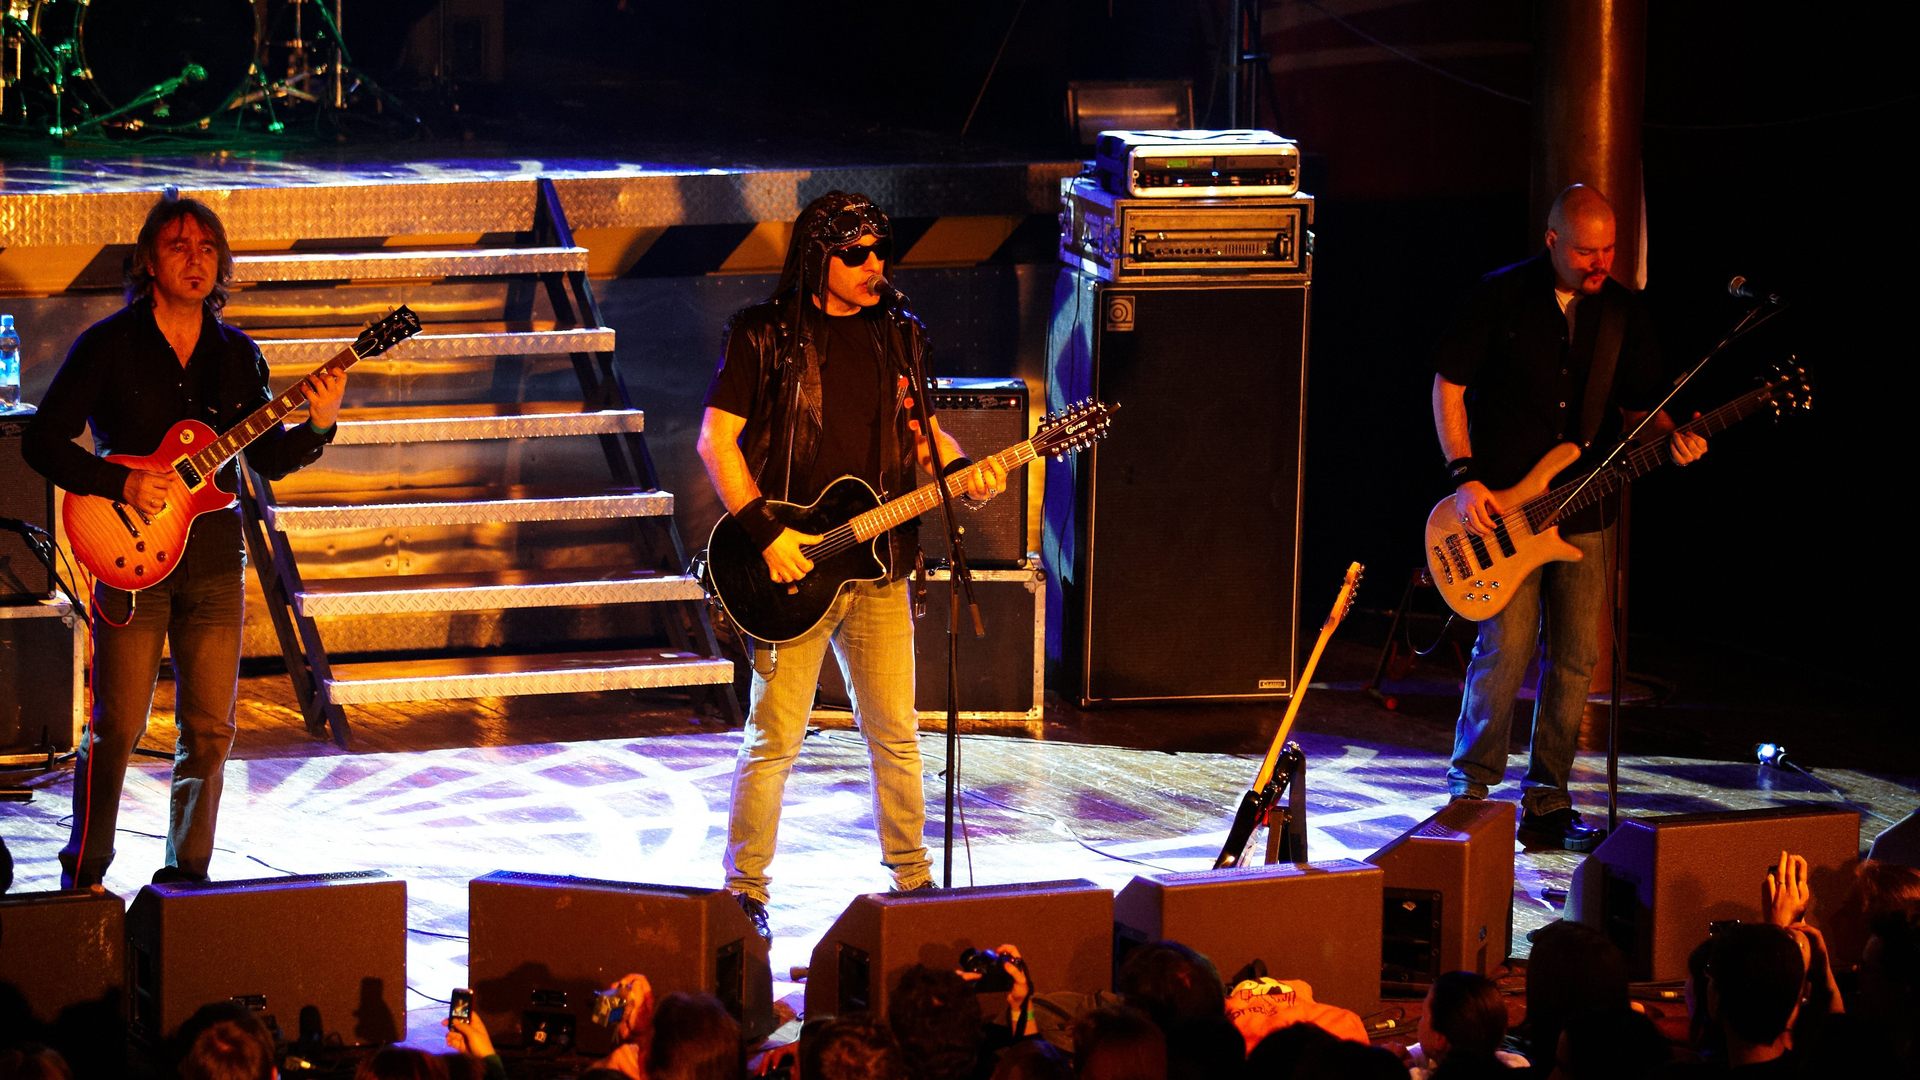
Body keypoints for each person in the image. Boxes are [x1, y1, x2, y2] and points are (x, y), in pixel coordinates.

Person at [697, 190, 1007, 934]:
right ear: (818, 259)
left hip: (878, 566)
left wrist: (960, 469)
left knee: (896, 733)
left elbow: (922, 432)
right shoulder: (763, 334)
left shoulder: (900, 334)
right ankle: (745, 893)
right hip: (790, 564)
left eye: (880, 252)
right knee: (775, 739)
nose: (874, 266)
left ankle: (914, 883)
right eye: (856, 254)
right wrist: (767, 535)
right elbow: (716, 441)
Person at [24, 196, 345, 888]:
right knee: (117, 726)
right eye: (179, 246)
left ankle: (186, 887)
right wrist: (120, 481)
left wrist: (318, 424)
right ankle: (84, 878)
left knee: (209, 730)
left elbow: (268, 459)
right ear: (148, 261)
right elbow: (41, 441)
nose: (196, 259)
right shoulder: (108, 345)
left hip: (215, 561)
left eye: (207, 248)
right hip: (129, 559)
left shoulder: (238, 355)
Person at [1430, 183, 1707, 850]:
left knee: (1577, 658)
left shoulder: (1623, 313)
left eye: (1608, 249)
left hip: (1588, 509)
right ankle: (1470, 789)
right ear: (1553, 240)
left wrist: (1675, 438)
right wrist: (1464, 478)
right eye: (1586, 250)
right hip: (1501, 511)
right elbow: (1449, 386)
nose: (1600, 262)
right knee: (1505, 648)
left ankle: (1549, 797)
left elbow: (1639, 411)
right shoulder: (1501, 295)